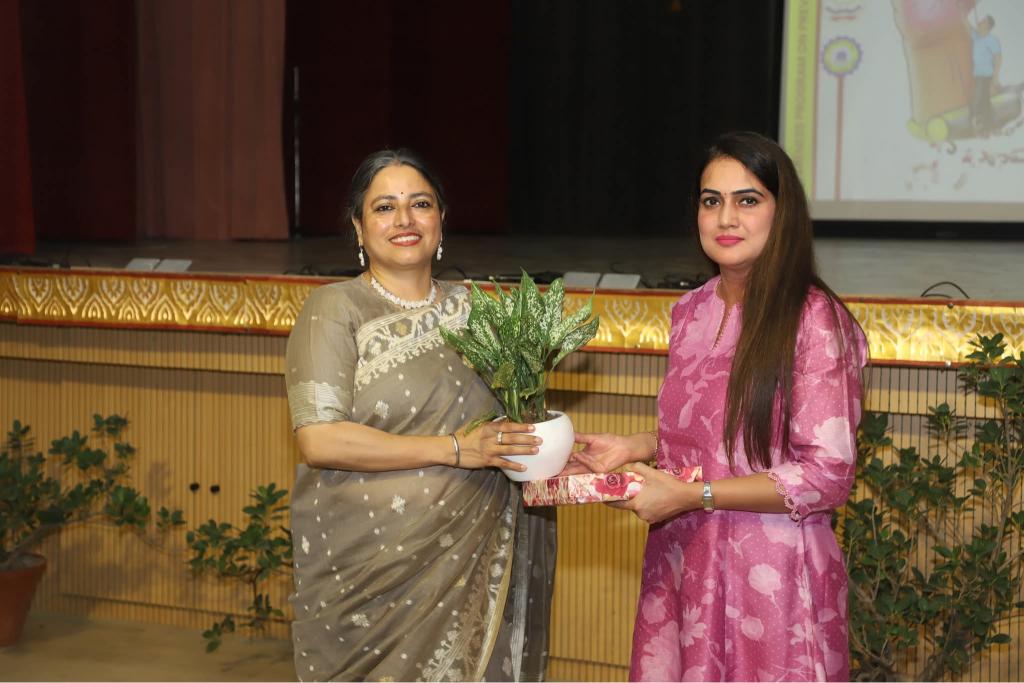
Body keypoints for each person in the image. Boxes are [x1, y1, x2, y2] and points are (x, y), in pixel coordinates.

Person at [569, 131, 868, 681]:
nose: (726, 218)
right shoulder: (690, 311)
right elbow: (717, 437)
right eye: (712, 201)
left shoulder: (814, 319)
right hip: (685, 561)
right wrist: (636, 448)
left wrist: (693, 495)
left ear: (783, 212)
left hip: (774, 580)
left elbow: (826, 476)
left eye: (747, 200)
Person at [285, 148, 556, 682]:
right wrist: (454, 449)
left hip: (475, 554)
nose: (405, 219)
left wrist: (562, 446)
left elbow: (517, 422)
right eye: (385, 207)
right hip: (370, 574)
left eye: (420, 204)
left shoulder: (482, 312)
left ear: (441, 219)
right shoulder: (334, 309)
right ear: (358, 227)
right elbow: (320, 439)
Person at [969, 14, 1002, 134]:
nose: (980, 21)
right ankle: (989, 127)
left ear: (987, 25)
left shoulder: (992, 40)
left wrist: (995, 78)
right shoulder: (976, 37)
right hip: (977, 76)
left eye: (983, 21)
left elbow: (998, 58)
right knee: (984, 101)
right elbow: (968, 26)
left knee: (978, 100)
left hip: (987, 76)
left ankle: (981, 126)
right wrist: (961, 12)